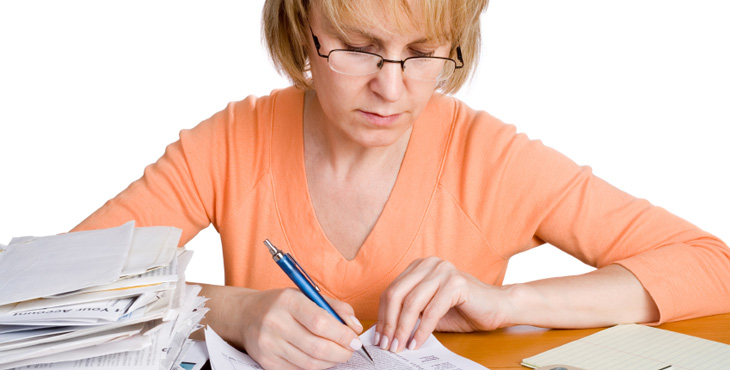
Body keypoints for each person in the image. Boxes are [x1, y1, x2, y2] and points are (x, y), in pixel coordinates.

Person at [64, 0, 730, 369]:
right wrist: (234, 311)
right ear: (302, 26)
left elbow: (710, 266)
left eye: (421, 55)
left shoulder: (487, 157)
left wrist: (507, 302)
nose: (390, 87)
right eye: (357, 47)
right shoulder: (233, 141)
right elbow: (47, 286)